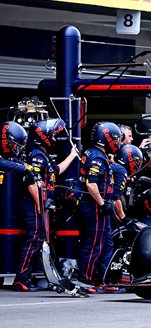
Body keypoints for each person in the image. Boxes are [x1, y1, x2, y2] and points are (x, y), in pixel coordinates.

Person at [13, 119, 79, 292]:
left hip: (41, 204)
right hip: (33, 205)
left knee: (39, 241)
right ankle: (21, 279)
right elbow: (30, 182)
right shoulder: (35, 155)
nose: (55, 138)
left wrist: (72, 155)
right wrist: (40, 205)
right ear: (44, 136)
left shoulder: (43, 155)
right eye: (53, 135)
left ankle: (31, 277)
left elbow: (55, 170)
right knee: (33, 239)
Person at [75, 121, 122, 292]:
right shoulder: (97, 157)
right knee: (94, 243)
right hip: (93, 206)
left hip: (95, 205)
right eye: (115, 139)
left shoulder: (96, 153)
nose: (117, 142)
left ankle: (98, 278)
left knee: (101, 243)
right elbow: (91, 185)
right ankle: (84, 279)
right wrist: (102, 204)